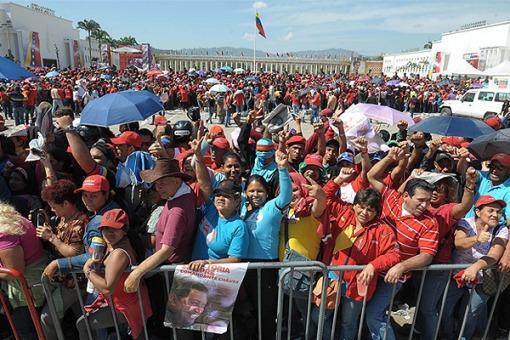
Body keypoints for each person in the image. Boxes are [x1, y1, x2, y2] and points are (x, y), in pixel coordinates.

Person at [366, 147, 439, 340]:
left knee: (374, 315)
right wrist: (389, 158)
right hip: (370, 269)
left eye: (427, 201)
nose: (425, 206)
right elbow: (371, 176)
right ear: (406, 196)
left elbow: (427, 255)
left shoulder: (429, 222)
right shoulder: (391, 198)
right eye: (420, 200)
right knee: (360, 313)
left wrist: (401, 266)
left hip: (393, 277)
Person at [319, 168, 401, 340]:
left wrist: (373, 265)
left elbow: (394, 254)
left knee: (348, 324)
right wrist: (338, 179)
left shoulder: (382, 230)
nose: (364, 213)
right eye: (361, 207)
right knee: (318, 317)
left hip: (359, 284)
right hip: (333, 276)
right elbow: (325, 197)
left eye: (370, 210)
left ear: (376, 212)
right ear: (354, 205)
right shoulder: (345, 213)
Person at [76, 209, 152, 340]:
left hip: (125, 308)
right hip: (124, 304)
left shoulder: (119, 253)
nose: (109, 233)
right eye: (105, 228)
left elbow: (107, 288)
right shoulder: (115, 245)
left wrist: (88, 271)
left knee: (83, 324)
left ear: (124, 230)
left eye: (114, 229)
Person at [124, 158, 196, 293]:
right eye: (156, 184)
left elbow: (166, 250)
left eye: (162, 183)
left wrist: (136, 273)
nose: (158, 188)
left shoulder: (177, 212)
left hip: (172, 271)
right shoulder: (184, 191)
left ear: (176, 180)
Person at [442, 196, 508, 340]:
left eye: (499, 212)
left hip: (482, 282)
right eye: (490, 210)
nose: (495, 215)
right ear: (478, 212)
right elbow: (459, 243)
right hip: (456, 277)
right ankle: (448, 336)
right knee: (445, 310)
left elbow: (494, 255)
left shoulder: (500, 229)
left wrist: (474, 268)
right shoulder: (465, 223)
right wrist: (476, 239)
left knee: (469, 316)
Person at [38, 179, 89, 340]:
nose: (52, 210)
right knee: (84, 321)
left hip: (75, 283)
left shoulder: (79, 223)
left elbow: (74, 253)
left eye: (54, 206)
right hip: (67, 280)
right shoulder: (64, 218)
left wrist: (51, 238)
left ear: (66, 203)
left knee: (47, 317)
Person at [0, 202, 47, 340]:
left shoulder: (4, 232)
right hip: (37, 281)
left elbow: (15, 269)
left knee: (27, 331)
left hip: (27, 290)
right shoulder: (11, 217)